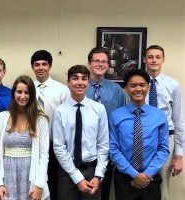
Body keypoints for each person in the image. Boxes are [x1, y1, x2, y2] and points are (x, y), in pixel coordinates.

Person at [109, 69, 169, 200]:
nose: (138, 89)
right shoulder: (116, 115)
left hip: (150, 177)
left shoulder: (159, 115)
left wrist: (146, 174)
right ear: (125, 88)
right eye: (133, 85)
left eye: (142, 85)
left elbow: (163, 149)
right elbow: (113, 149)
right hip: (124, 178)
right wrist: (135, 174)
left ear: (148, 87)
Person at [53, 65, 109, 200]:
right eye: (75, 78)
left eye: (84, 79)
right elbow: (59, 147)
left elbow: (103, 145)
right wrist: (77, 178)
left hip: (92, 171)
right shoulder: (60, 111)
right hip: (67, 172)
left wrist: (98, 176)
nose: (80, 82)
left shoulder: (99, 109)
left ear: (88, 83)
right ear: (68, 83)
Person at [0, 75, 50, 200]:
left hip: (31, 177)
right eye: (19, 92)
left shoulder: (40, 120)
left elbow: (44, 155)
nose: (23, 96)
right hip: (8, 177)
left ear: (32, 95)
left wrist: (39, 185)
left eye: (27, 93)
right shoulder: (2, 118)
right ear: (13, 93)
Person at [143, 45, 185, 200]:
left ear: (163, 59)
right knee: (142, 181)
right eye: (150, 57)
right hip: (142, 138)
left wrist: (179, 156)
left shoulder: (173, 85)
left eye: (157, 57)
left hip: (165, 139)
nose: (154, 60)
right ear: (144, 60)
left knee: (162, 188)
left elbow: (179, 120)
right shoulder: (138, 83)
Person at [85, 47, 125, 200]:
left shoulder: (116, 90)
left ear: (108, 65)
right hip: (83, 148)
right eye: (96, 60)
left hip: (107, 148)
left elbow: (122, 122)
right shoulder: (80, 86)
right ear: (89, 63)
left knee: (104, 191)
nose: (100, 64)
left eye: (104, 61)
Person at [31, 50, 69, 199]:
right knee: (35, 185)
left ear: (50, 66)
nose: (41, 68)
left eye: (44, 64)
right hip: (33, 144)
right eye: (37, 64)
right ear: (32, 67)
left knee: (54, 185)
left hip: (55, 146)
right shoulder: (27, 89)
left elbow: (66, 120)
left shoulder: (62, 90)